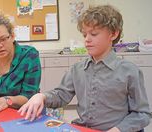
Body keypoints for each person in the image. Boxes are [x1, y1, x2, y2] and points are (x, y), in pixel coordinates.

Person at [18, 5, 151, 132]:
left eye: (93, 34)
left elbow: (142, 114)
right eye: (84, 35)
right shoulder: (77, 69)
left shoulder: (129, 71)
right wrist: (41, 96)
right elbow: (61, 95)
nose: (87, 40)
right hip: (83, 128)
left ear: (113, 34)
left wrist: (117, 130)